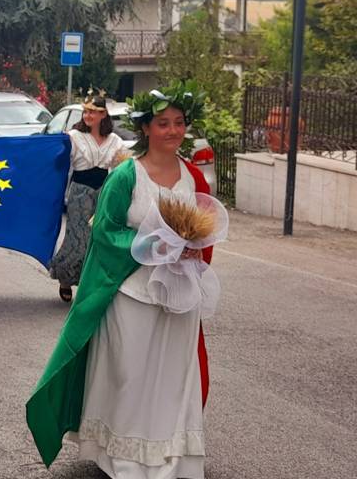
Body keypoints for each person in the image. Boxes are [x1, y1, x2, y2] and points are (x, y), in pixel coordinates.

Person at [27, 82, 217, 479]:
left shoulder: (193, 178)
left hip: (177, 295)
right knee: (130, 375)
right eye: (163, 123)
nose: (172, 130)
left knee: (174, 377)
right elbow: (105, 232)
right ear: (146, 128)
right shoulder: (126, 175)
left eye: (179, 122)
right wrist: (154, 245)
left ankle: (173, 457)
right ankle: (124, 457)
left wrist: (193, 249)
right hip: (131, 294)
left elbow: (205, 231)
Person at [50, 95, 127, 302]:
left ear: (103, 114)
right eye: (85, 111)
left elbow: (123, 168)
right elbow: (58, 161)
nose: (87, 115)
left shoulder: (115, 141)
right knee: (78, 237)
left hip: (103, 193)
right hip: (80, 192)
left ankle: (90, 282)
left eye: (92, 112)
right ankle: (66, 278)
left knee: (99, 238)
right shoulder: (73, 136)